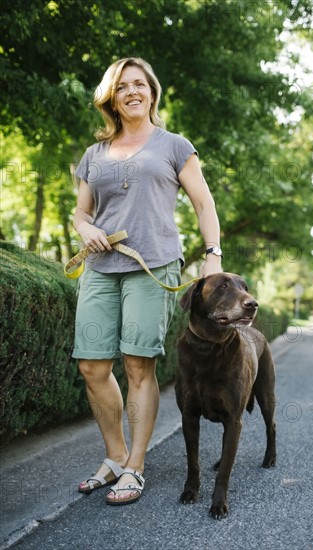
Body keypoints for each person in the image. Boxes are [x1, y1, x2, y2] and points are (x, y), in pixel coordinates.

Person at [73, 57, 223, 506]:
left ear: (152, 94)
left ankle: (135, 466)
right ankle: (115, 456)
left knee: (138, 364)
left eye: (140, 84)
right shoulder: (93, 154)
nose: (132, 91)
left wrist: (213, 256)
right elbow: (81, 211)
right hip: (101, 267)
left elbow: (203, 203)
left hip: (152, 266)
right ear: (111, 99)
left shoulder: (174, 145)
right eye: (123, 87)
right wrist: (86, 228)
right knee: (92, 366)